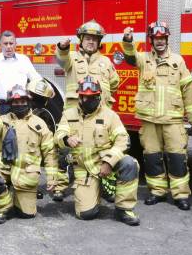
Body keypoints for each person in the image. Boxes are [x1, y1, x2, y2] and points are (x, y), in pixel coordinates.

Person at [122, 21, 192, 210]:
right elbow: (130, 57)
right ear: (152, 40)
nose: (160, 41)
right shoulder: (144, 59)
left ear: (167, 39)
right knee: (152, 157)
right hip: (150, 120)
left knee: (178, 158)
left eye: (163, 38)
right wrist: (128, 40)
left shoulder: (178, 61)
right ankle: (157, 192)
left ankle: (180, 195)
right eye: (156, 38)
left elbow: (188, 89)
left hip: (173, 120)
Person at [54, 76, 141, 226]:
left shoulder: (110, 115)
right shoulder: (69, 114)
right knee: (86, 214)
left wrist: (108, 162)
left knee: (129, 163)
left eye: (93, 97)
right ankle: (99, 189)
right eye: (85, 97)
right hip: (83, 168)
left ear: (99, 96)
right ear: (79, 97)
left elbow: (123, 140)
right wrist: (67, 138)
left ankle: (124, 209)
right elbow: (58, 135)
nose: (88, 101)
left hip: (104, 164)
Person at [0, 85, 58, 223]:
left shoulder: (40, 124)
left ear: (28, 102)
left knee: (26, 215)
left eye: (22, 101)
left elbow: (49, 152)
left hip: (26, 174)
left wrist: (52, 177)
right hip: (4, 167)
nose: (19, 105)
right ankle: (4, 207)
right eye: (16, 102)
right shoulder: (3, 120)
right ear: (11, 103)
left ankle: (19, 200)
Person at [56, 19, 119, 109]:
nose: (91, 42)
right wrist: (62, 49)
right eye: (87, 39)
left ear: (99, 42)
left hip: (100, 111)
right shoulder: (71, 57)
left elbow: (114, 83)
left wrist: (104, 94)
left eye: (94, 39)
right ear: (81, 40)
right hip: (75, 111)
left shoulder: (106, 61)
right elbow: (62, 59)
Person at [0, 30, 41, 114]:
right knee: (1, 127)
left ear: (15, 44)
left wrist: (48, 88)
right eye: (5, 43)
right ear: (0, 45)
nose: (8, 46)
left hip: (19, 105)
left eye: (11, 43)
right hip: (1, 106)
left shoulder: (24, 59)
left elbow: (35, 78)